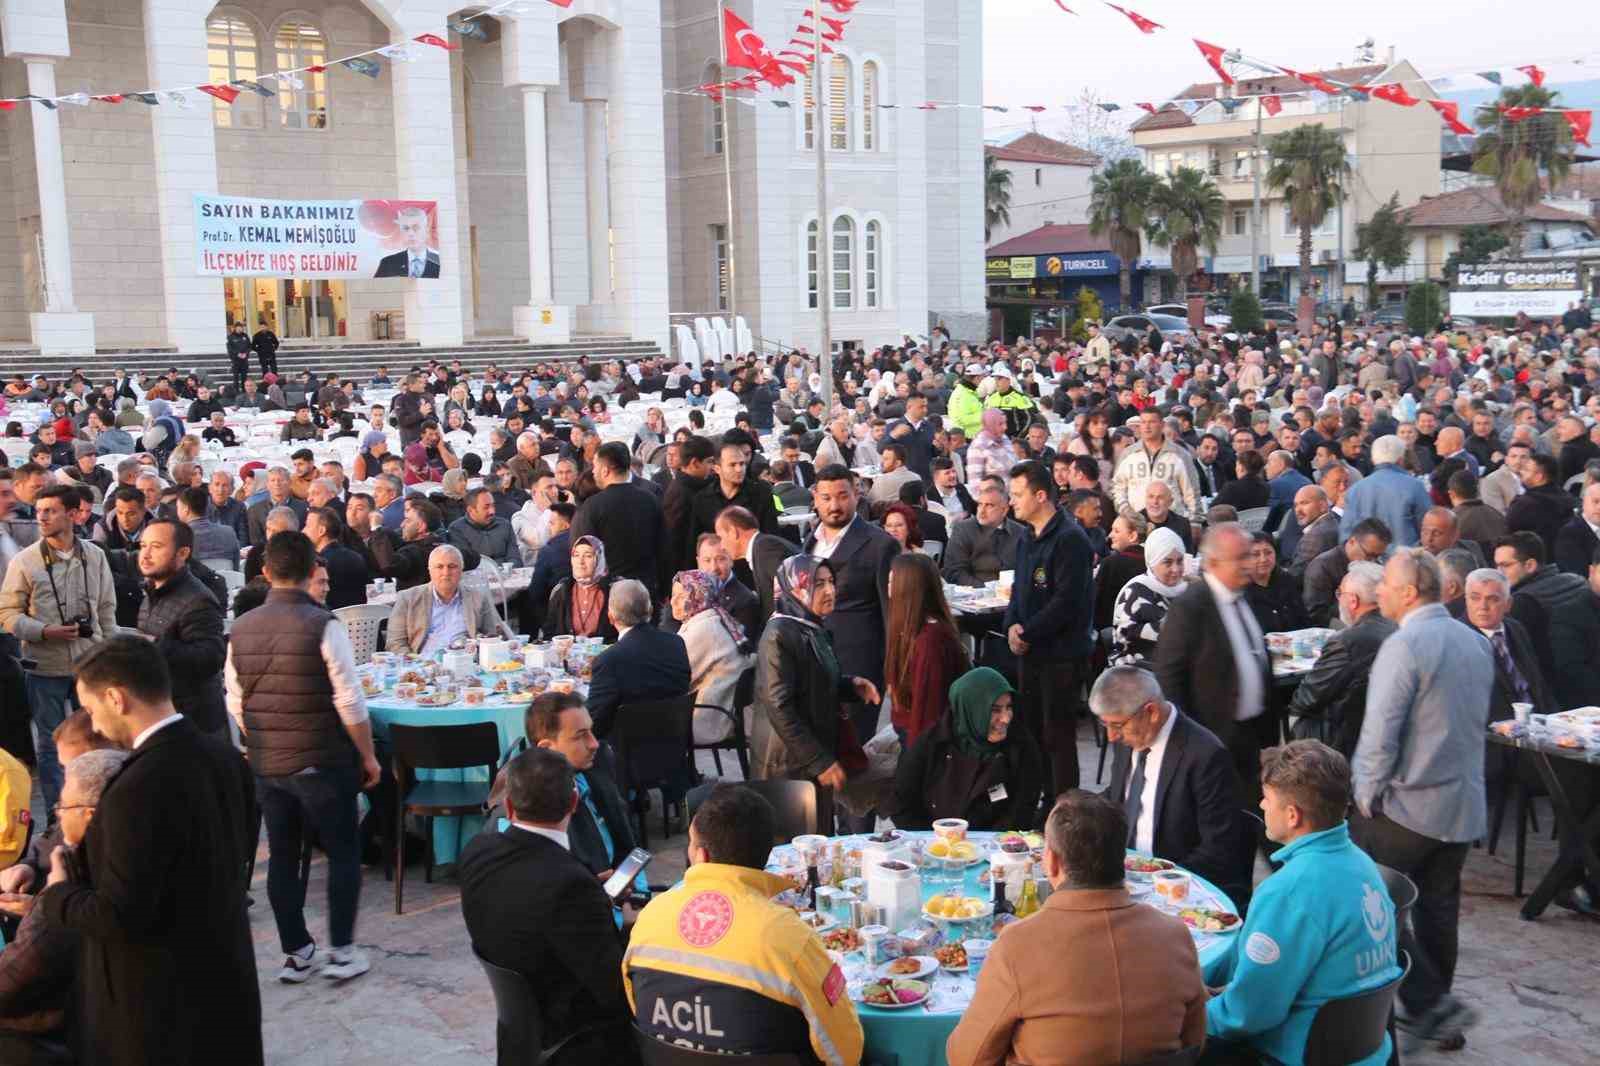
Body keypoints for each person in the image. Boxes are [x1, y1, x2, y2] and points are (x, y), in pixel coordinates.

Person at [39, 637, 261, 1066]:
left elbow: (119, 915)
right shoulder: (225, 757)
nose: (94, 724)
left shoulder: (137, 787)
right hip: (225, 980)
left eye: (90, 709)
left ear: (115, 698)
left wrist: (58, 892)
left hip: (163, 1010)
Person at [946, 789, 1206, 1066]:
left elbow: (968, 1058)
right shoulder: (1175, 935)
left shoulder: (1018, 944)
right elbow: (1194, 1042)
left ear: (1052, 861)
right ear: (1122, 858)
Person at [225, 531, 381, 985]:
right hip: (322, 760)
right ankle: (341, 950)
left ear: (267, 572)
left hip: (268, 763)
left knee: (282, 855)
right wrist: (367, 755)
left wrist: (262, 740)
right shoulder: (322, 624)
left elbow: (235, 700)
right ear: (313, 569)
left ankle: (297, 951)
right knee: (342, 852)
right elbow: (350, 702)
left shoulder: (241, 628)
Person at [1352, 549, 1492, 1047]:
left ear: (1409, 592)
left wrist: (1364, 794)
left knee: (1368, 900)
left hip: (1408, 809)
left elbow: (1380, 733)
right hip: (1461, 807)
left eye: (1385, 583)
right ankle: (1439, 1018)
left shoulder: (1405, 645)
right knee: (1437, 908)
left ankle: (1430, 1003)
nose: (1379, 591)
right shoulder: (1474, 642)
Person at [624, 784, 865, 1066]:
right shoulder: (789, 935)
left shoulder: (650, 918)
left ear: (701, 856)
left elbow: (640, 1011)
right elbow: (846, 1052)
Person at [1204, 741, 1401, 1066]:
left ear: (1293, 815)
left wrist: (1188, 1014)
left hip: (1294, 1055)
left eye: (1267, 798)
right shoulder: (1365, 866)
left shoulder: (1288, 893)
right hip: (1367, 1052)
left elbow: (1245, 1016)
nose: (1261, 805)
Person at [458, 746, 636, 1064]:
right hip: (576, 1041)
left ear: (509, 807)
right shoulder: (569, 884)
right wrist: (631, 925)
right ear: (574, 802)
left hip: (517, 1035)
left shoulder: (476, 852)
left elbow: (526, 897)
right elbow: (614, 991)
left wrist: (594, 896)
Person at [0, 485, 118, 812]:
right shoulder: (25, 561)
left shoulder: (94, 556)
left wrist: (106, 659)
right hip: (44, 666)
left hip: (89, 664)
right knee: (50, 746)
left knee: (97, 738)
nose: (42, 517)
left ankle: (100, 805)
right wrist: (44, 631)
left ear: (72, 513)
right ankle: (58, 812)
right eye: (39, 511)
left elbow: (107, 610)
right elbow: (7, 613)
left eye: (50, 510)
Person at [0, 748, 124, 1057]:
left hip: (52, 1033)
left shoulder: (73, 874)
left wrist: (44, 907)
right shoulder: (126, 856)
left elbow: (14, 975)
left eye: (63, 806)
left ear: (90, 814)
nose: (57, 814)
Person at [1091, 666, 1243, 899]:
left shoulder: (1205, 754)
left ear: (1151, 712)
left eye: (1117, 725)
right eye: (1105, 725)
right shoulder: (1130, 737)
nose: (1111, 736)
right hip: (1124, 878)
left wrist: (1157, 883)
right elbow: (1119, 795)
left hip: (1177, 888)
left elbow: (1218, 848)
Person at [751, 556, 880, 818]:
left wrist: (850, 686)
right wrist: (818, 761)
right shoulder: (778, 635)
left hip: (810, 753)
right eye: (818, 584)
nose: (830, 591)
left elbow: (813, 682)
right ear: (795, 588)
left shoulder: (809, 626)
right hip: (787, 764)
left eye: (831, 582)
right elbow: (780, 707)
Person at [1154, 523, 1273, 804]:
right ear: (1214, 562)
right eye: (1241, 557)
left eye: (1250, 555)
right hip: (1214, 738)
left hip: (1252, 736)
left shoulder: (1247, 596)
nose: (1250, 563)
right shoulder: (1191, 607)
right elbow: (1169, 677)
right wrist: (1190, 742)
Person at [1004, 460, 1094, 794]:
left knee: (1058, 737)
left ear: (1040, 495)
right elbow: (1018, 589)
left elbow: (1066, 602)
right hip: (1030, 654)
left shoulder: (1070, 539)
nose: (1012, 501)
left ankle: (1064, 805)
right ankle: (1037, 800)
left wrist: (1027, 632)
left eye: (1017, 494)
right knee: (1033, 733)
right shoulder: (1027, 537)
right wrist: (1012, 623)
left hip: (1061, 655)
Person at [803, 465, 897, 745]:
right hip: (814, 663)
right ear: (815, 498)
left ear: (856, 495)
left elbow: (892, 613)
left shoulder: (880, 545)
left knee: (852, 750)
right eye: (827, 498)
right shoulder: (811, 541)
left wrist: (893, 669)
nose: (835, 505)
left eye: (842, 496)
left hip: (860, 664)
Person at [894, 666, 1043, 831]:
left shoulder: (1021, 747)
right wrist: (932, 842)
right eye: (995, 710)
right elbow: (901, 802)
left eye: (1009, 707)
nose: (1006, 719)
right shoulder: (932, 742)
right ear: (971, 708)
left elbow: (1022, 811)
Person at [1288, 562, 1395, 756]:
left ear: (1353, 601)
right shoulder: (1397, 625)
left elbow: (1307, 697)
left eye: (1340, 593)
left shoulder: (1346, 641)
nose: (1338, 600)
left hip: (1343, 739)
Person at [134, 518, 227, 736]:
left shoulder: (198, 599)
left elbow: (210, 657)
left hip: (191, 723)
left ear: (183, 553)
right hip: (160, 714)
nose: (145, 555)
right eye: (143, 546)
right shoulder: (151, 590)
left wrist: (155, 646)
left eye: (156, 547)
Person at [1493, 531, 1600, 710]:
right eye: (1496, 565)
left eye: (1505, 566)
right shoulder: (1573, 580)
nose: (1498, 573)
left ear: (1530, 565)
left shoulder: (1520, 603)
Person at [584, 579, 691, 737]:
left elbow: (594, 724)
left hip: (625, 751)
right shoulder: (676, 643)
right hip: (674, 744)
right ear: (651, 610)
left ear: (611, 616)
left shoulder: (610, 660)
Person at [883, 553, 968, 747]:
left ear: (907, 588)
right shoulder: (911, 629)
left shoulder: (930, 641)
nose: (888, 588)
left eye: (891, 581)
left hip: (923, 742)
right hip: (911, 731)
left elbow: (928, 715)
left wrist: (915, 764)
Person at [670, 570, 755, 746]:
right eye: (673, 595)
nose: (673, 601)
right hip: (716, 712)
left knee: (641, 721)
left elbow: (674, 677)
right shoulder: (711, 619)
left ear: (698, 596)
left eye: (681, 596)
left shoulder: (705, 628)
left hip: (708, 719)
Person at [385, 545, 503, 655]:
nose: (446, 573)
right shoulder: (408, 598)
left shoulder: (478, 598)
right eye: (439, 567)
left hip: (466, 662)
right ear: (430, 570)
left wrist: (478, 645)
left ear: (462, 570)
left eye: (452, 566)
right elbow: (395, 643)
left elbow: (490, 637)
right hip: (422, 664)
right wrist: (415, 663)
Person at [1109, 526, 1185, 668]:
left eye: (1180, 561)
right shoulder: (1135, 593)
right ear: (1152, 562)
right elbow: (1122, 644)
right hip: (1139, 672)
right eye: (1167, 562)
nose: (1176, 569)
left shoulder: (1187, 590)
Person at [1338, 434, 1430, 547]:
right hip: (1406, 559)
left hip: (1367, 559)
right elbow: (1427, 528)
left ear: (1373, 460)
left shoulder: (1356, 489)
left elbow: (1346, 535)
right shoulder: (1415, 486)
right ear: (1401, 460)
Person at [1112, 408, 1200, 518]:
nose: (1147, 426)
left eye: (1152, 422)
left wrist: (1195, 521)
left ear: (1162, 424)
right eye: (1143, 422)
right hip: (1135, 522)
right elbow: (1117, 488)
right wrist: (1126, 511)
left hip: (1171, 522)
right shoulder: (1128, 454)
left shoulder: (1180, 455)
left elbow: (1192, 492)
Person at [714, 505, 790, 626]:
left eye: (721, 537)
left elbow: (791, 595)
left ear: (733, 532)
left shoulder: (765, 549)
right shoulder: (760, 548)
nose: (722, 546)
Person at [942, 479, 1024, 587]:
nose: (981, 511)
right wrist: (985, 589)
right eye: (980, 504)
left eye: (989, 505)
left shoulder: (1020, 532)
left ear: (1004, 510)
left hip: (1011, 595)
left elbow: (1027, 570)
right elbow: (954, 572)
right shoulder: (963, 529)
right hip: (974, 596)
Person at [542, 534, 619, 642]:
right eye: (576, 555)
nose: (580, 562)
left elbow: (625, 635)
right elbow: (549, 633)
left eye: (588, 556)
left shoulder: (614, 591)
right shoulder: (562, 590)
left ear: (599, 559)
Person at [1504, 453, 1570, 560]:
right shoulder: (1568, 499)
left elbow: (1509, 532)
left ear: (1539, 476)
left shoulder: (1524, 504)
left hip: (1534, 562)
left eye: (1526, 470)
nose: (1521, 472)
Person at [302, 506, 368, 610]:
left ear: (321, 531)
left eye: (307, 526)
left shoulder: (318, 565)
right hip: (361, 622)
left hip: (329, 621)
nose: (303, 531)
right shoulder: (357, 557)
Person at [373, 206, 441, 277]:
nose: (410, 233)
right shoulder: (387, 263)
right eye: (405, 228)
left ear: (426, 229)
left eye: (416, 227)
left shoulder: (441, 262)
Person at [1554, 480, 1600, 576]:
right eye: (1596, 501)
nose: (1599, 507)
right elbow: (1575, 575)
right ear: (1583, 503)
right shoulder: (1570, 533)